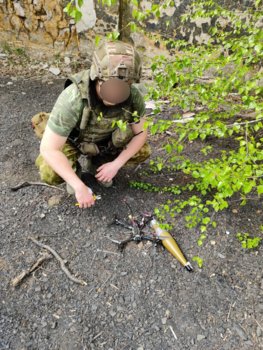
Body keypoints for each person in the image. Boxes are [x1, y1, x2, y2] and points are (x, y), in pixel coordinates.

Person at [32, 40, 151, 209]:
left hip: (104, 140)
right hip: (74, 140)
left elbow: (141, 133)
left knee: (142, 151)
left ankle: (99, 162)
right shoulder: (72, 97)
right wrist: (79, 186)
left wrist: (116, 165)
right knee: (50, 173)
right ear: (96, 77)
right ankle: (75, 171)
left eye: (124, 86)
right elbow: (48, 149)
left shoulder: (133, 95)